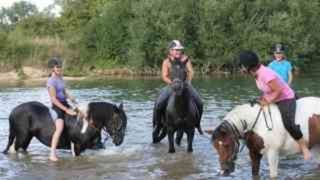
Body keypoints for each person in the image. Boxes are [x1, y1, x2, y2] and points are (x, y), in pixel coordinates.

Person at [238, 50, 311, 160]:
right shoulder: (257, 73)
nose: (241, 68)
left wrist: (267, 101)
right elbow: (267, 89)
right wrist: (261, 99)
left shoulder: (265, 73)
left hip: (285, 98)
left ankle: (304, 147)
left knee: (289, 123)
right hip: (273, 97)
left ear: (249, 66)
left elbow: (279, 90)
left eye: (242, 66)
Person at [153, 40, 203, 130]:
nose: (178, 52)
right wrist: (172, 83)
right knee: (159, 103)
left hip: (185, 85)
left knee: (200, 102)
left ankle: (197, 124)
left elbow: (191, 72)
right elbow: (164, 76)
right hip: (172, 85)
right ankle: (158, 124)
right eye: (176, 50)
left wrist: (188, 82)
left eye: (179, 50)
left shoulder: (185, 59)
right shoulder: (166, 62)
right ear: (170, 51)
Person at [47, 57, 77, 161]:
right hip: (57, 106)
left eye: (60, 66)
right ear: (52, 68)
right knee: (59, 127)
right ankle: (52, 154)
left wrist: (71, 98)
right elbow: (54, 99)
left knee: (79, 116)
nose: (59, 68)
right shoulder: (51, 82)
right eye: (57, 67)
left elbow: (64, 92)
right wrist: (66, 110)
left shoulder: (60, 78)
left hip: (65, 103)